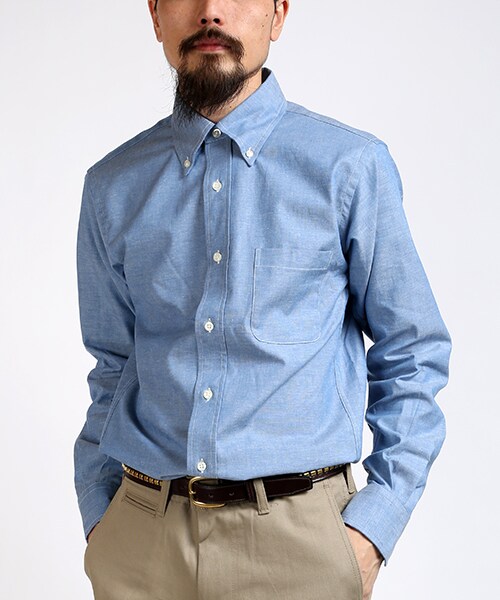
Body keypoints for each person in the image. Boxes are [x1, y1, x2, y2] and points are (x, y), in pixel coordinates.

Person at [74, 1, 451, 599]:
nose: (211, 12)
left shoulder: (350, 167)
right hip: (140, 547)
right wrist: (101, 516)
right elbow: (113, 366)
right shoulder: (112, 185)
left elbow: (413, 351)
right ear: (155, 15)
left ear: (278, 14)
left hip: (300, 550)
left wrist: (373, 527)